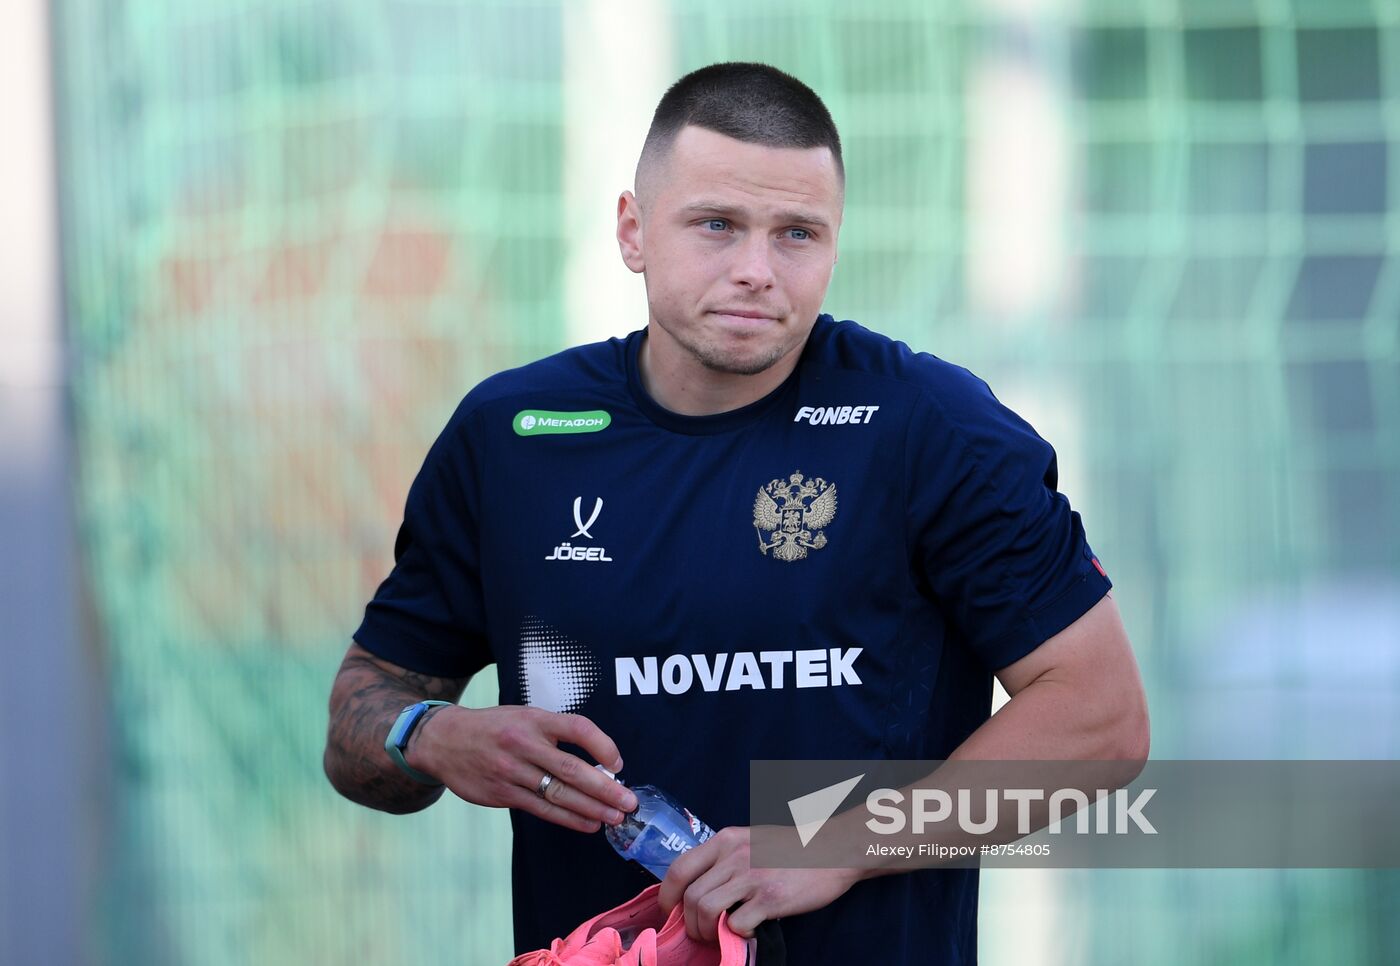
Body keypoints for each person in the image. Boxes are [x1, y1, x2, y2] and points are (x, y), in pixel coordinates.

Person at [324, 61, 1150, 963]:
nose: (757, 270)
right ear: (633, 232)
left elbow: (1100, 720)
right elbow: (363, 721)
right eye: (716, 225)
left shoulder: (933, 430)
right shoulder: (512, 437)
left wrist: (835, 844)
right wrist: (430, 737)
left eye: (797, 233)